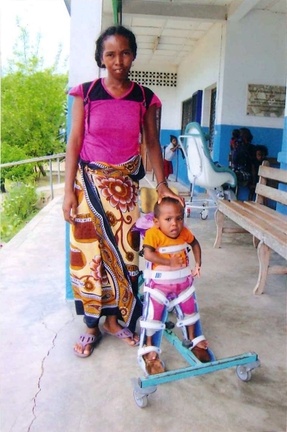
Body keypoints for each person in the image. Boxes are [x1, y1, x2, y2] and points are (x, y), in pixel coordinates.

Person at [62, 25, 184, 358]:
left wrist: (161, 184)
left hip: (126, 191)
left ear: (133, 55)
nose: (119, 60)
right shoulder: (85, 93)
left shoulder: (144, 97)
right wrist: (67, 191)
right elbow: (73, 143)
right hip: (88, 188)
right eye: (111, 54)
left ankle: (114, 321)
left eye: (125, 52)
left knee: (126, 256)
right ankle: (90, 326)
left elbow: (152, 144)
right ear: (101, 58)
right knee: (90, 259)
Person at [138, 197, 210, 375]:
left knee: (190, 312)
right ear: (156, 221)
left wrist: (198, 264)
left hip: (183, 286)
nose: (175, 224)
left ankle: (193, 338)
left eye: (179, 218)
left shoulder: (184, 232)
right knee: (152, 318)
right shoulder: (153, 234)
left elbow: (195, 243)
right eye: (168, 219)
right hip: (158, 287)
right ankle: (150, 349)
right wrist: (167, 261)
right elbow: (148, 254)